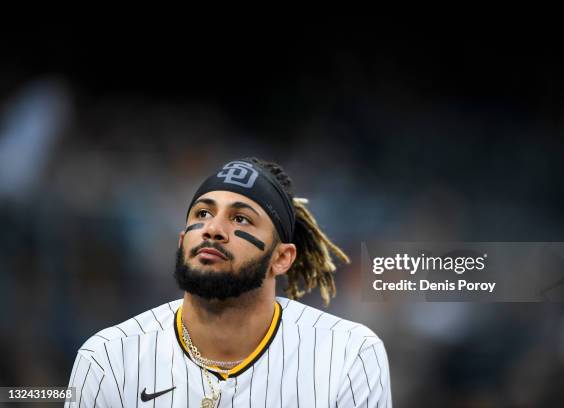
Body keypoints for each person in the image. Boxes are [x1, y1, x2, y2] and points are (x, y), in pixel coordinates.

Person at [65, 158, 392, 407]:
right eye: (203, 214)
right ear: (182, 241)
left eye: (240, 218)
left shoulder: (348, 354)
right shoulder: (108, 358)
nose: (213, 229)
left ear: (282, 258)